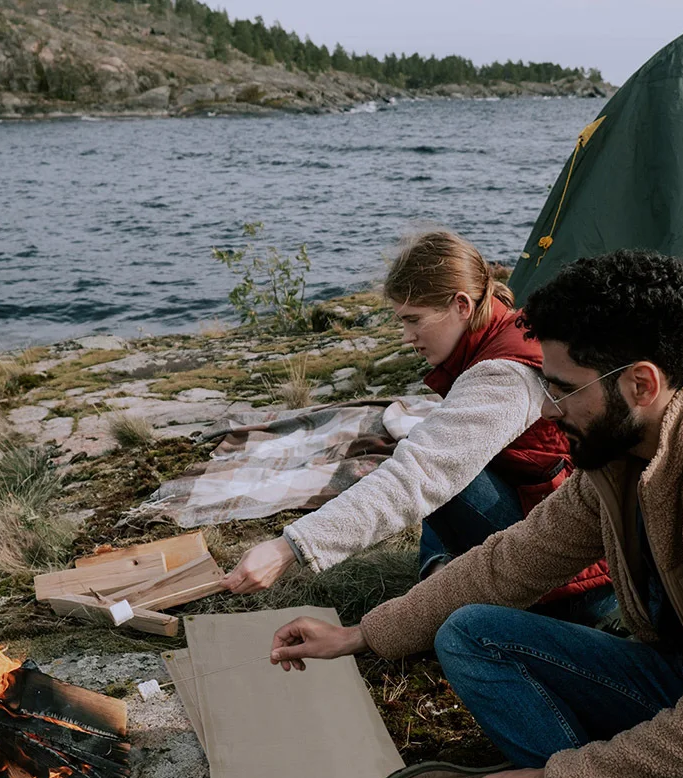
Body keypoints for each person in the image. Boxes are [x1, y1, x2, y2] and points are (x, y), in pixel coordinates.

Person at [267, 249, 683, 778]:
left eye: (561, 388)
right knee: (471, 633)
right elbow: (508, 562)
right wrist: (364, 634)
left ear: (641, 383)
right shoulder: (622, 450)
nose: (550, 409)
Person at [224, 230, 614, 626]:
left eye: (414, 320)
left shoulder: (505, 374)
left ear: (461, 305)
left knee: (430, 464)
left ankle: (453, 584)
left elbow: (420, 475)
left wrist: (288, 548)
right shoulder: (504, 331)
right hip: (561, 536)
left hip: (575, 585)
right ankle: (442, 573)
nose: (407, 337)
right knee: (435, 446)